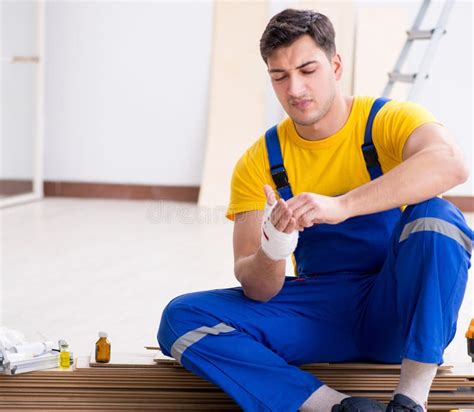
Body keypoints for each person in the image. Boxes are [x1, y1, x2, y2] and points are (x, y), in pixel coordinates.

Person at [158, 8, 472, 412]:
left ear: (335, 65)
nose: (296, 88)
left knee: (439, 217)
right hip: (321, 313)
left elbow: (452, 163)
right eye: (280, 76)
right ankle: (337, 407)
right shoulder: (260, 162)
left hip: (394, 306)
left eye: (308, 70)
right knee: (181, 317)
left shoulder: (385, 121)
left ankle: (411, 400)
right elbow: (257, 288)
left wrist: (341, 206)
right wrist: (274, 248)